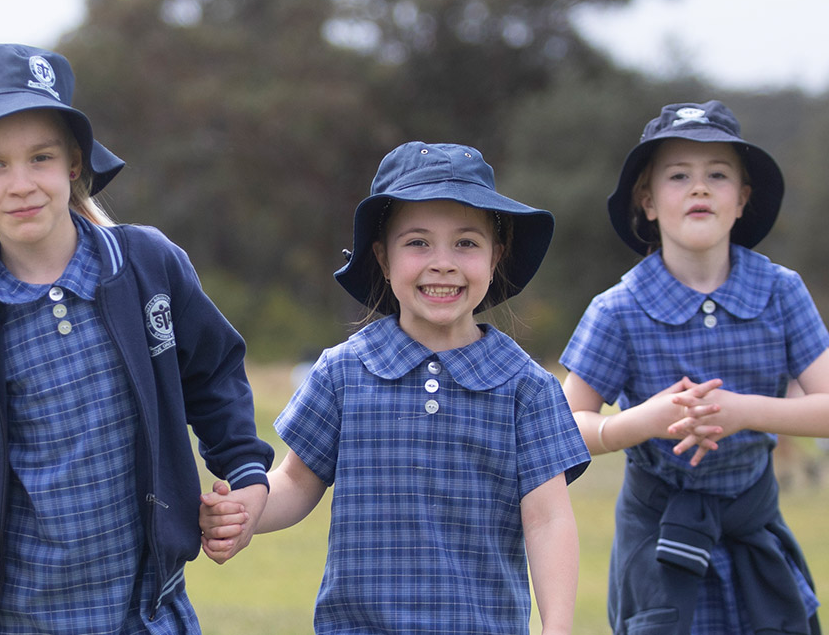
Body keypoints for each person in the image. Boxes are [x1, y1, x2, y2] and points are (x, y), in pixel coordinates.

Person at [0, 44, 273, 634]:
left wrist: (247, 477)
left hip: (148, 611)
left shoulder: (149, 265)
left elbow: (214, 375)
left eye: (40, 157)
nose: (21, 184)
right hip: (18, 617)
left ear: (73, 163)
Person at [202, 142, 591, 633]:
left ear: (496, 257)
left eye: (466, 243)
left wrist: (557, 628)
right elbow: (296, 483)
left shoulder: (526, 388)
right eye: (418, 243)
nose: (443, 263)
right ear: (383, 259)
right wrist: (244, 511)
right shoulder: (343, 372)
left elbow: (548, 520)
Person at [558, 101, 829, 633]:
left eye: (717, 174)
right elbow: (561, 430)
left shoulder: (781, 291)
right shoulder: (618, 309)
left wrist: (742, 411)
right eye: (678, 175)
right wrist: (642, 422)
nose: (699, 187)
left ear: (742, 199)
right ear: (647, 201)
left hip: (755, 532)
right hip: (657, 545)